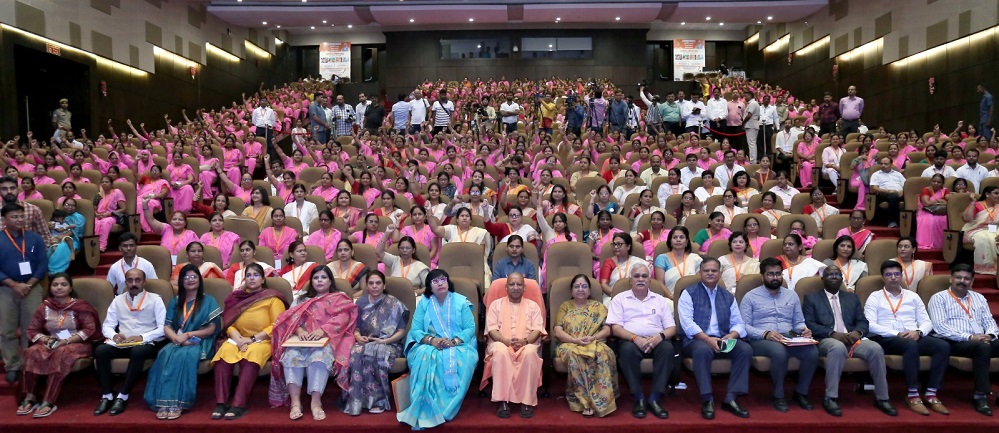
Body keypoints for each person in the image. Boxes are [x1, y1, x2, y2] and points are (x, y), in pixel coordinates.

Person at [802, 266, 897, 417]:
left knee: (875, 348)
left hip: (852, 339)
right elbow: (809, 324)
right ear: (822, 279)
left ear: (842, 279)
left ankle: (882, 398)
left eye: (837, 274)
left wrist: (858, 332)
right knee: (837, 347)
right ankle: (830, 398)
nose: (834, 277)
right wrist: (832, 334)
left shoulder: (852, 298)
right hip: (827, 340)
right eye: (830, 274)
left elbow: (862, 321)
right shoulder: (812, 298)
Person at [270, 266, 357, 420]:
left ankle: (316, 402)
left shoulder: (339, 298)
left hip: (328, 340)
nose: (319, 281)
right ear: (311, 282)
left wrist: (323, 330)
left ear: (330, 281)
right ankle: (295, 403)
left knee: (319, 358)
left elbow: (343, 318)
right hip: (300, 340)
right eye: (316, 278)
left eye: (323, 277)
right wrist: (300, 331)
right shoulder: (301, 299)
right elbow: (290, 319)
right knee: (290, 356)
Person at [865, 260, 951, 416]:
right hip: (887, 337)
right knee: (910, 345)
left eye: (896, 274)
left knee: (942, 346)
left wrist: (919, 332)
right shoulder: (875, 297)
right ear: (883, 277)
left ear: (901, 276)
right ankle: (913, 394)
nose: (893, 277)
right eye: (889, 274)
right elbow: (870, 324)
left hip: (913, 335)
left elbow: (926, 321)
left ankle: (931, 393)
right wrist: (896, 333)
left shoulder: (913, 296)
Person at [397, 269, 478, 430]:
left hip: (459, 344)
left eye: (443, 280)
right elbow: (415, 329)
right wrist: (431, 340)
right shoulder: (424, 303)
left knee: (465, 358)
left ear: (448, 282)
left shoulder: (461, 302)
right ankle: (424, 406)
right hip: (428, 344)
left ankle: (445, 410)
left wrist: (454, 341)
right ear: (429, 286)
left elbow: (470, 328)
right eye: (435, 281)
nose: (440, 283)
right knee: (424, 356)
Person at [143, 264, 222, 420]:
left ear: (199, 280)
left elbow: (212, 329)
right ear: (181, 281)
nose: (190, 280)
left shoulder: (208, 300)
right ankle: (163, 402)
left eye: (193, 276)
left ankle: (177, 403)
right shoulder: (176, 301)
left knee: (184, 356)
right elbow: (167, 326)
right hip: (178, 341)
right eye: (186, 277)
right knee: (164, 353)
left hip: (200, 341)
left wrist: (188, 335)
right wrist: (176, 339)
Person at [677, 258, 752, 419]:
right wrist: (707, 339)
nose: (710, 273)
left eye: (714, 270)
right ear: (700, 273)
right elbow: (687, 324)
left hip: (722, 339)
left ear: (720, 273)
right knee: (703, 350)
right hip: (696, 340)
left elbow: (739, 323)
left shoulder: (728, 296)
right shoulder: (688, 293)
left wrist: (732, 335)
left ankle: (731, 398)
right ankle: (707, 398)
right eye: (706, 270)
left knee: (744, 349)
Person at [740, 257, 818, 412]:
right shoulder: (750, 297)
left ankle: (801, 393)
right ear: (762, 276)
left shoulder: (791, 295)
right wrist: (765, 333)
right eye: (770, 274)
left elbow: (798, 322)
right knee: (779, 352)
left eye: (778, 274)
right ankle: (778, 395)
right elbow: (743, 326)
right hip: (761, 339)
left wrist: (804, 330)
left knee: (812, 352)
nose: (775, 277)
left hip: (788, 336)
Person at [211, 263, 288, 420]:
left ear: (263, 279)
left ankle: (239, 404)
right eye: (248, 275)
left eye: (256, 275)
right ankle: (221, 402)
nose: (252, 278)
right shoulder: (236, 298)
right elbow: (228, 321)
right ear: (244, 279)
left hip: (263, 340)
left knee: (251, 355)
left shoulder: (273, 298)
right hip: (238, 339)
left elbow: (277, 325)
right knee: (223, 354)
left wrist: (252, 339)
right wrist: (237, 337)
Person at [16, 274, 100, 418]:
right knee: (31, 352)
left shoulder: (80, 306)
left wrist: (66, 341)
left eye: (63, 284)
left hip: (77, 344)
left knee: (61, 352)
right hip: (51, 342)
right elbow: (32, 330)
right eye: (55, 285)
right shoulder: (45, 306)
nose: (59, 288)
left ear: (70, 288)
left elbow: (89, 329)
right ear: (50, 288)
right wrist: (46, 340)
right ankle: (30, 397)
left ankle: (49, 400)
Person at [927, 263, 999, 415]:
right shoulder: (939, 298)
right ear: (951, 279)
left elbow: (989, 321)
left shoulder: (979, 298)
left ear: (972, 281)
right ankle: (980, 396)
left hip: (980, 339)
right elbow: (940, 327)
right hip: (954, 342)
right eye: (958, 277)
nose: (962, 281)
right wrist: (970, 337)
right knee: (982, 348)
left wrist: (990, 335)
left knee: (987, 345)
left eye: (966, 279)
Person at [93, 269, 166, 416]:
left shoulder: (155, 299)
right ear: (125, 282)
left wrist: (142, 337)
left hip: (145, 343)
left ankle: (123, 395)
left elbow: (163, 328)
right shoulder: (118, 300)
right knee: (101, 351)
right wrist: (114, 336)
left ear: (144, 281)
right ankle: (107, 395)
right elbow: (107, 326)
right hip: (122, 342)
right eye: (130, 280)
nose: (133, 284)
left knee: (137, 352)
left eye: (137, 280)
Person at [606, 264, 673, 419]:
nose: (641, 279)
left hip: (657, 339)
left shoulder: (660, 300)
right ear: (630, 280)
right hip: (630, 339)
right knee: (627, 350)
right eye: (636, 276)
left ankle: (655, 398)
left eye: (644, 276)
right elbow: (615, 328)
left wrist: (659, 337)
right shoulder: (619, 299)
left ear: (650, 280)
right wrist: (635, 338)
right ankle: (638, 397)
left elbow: (671, 327)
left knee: (668, 349)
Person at [343, 270, 409, 415]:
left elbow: (401, 331)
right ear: (367, 286)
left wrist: (384, 340)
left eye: (378, 283)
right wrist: (358, 336)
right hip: (366, 342)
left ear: (384, 285)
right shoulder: (361, 302)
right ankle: (357, 400)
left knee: (377, 352)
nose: (374, 286)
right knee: (355, 352)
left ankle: (379, 400)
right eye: (371, 283)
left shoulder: (394, 303)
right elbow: (356, 327)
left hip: (389, 343)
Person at [481, 273, 545, 419]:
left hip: (526, 343)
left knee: (529, 353)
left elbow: (537, 329)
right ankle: (502, 401)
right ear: (506, 287)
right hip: (501, 342)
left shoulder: (533, 306)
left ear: (524, 287)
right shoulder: (495, 305)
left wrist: (525, 342)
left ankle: (527, 401)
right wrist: (505, 341)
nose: (515, 287)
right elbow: (492, 329)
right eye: (512, 284)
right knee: (500, 351)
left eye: (519, 284)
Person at [553, 274, 618, 418]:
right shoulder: (565, 306)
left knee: (602, 353)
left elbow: (607, 329)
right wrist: (575, 340)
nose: (580, 289)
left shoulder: (599, 307)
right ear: (572, 291)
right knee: (576, 355)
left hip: (595, 341)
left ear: (589, 291)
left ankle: (602, 401)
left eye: (584, 286)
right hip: (569, 344)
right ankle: (584, 402)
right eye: (577, 286)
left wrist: (593, 338)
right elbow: (557, 331)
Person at [0, 203, 48, 385]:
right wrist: (14, 285)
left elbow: (42, 264)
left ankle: (30, 364)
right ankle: (12, 365)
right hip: (5, 289)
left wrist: (27, 285)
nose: (19, 219)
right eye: (14, 217)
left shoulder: (34, 238)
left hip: (31, 287)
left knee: (32, 329)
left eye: (21, 216)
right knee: (7, 330)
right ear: (4, 220)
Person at [653, 226, 702, 295]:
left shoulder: (695, 258)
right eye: (675, 237)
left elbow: (700, 281)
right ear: (670, 241)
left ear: (687, 241)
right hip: (669, 298)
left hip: (693, 296)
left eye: (681, 237)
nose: (678, 240)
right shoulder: (662, 259)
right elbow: (660, 283)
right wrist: (672, 297)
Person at [962, 185, 999, 275]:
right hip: (977, 230)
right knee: (985, 239)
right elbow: (967, 219)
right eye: (996, 193)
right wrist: (973, 202)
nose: (998, 195)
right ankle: (987, 267)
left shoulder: (998, 207)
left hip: (995, 229)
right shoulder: (977, 204)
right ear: (987, 194)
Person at [869, 157, 906, 228]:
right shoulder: (876, 174)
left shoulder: (898, 174)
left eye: (886, 164)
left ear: (891, 165)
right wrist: (888, 191)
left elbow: (906, 185)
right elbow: (874, 188)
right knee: (893, 196)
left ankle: (909, 222)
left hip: (900, 193)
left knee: (909, 197)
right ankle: (892, 221)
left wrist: (902, 191)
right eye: (881, 164)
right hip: (883, 194)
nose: (883, 165)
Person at [916, 174, 949, 250]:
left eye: (939, 182)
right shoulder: (926, 190)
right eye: (934, 181)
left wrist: (944, 201)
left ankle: (940, 244)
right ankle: (927, 243)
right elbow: (926, 203)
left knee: (945, 219)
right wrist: (939, 201)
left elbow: (950, 201)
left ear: (942, 183)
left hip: (941, 212)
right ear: (931, 181)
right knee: (929, 220)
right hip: (926, 211)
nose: (936, 183)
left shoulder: (945, 190)